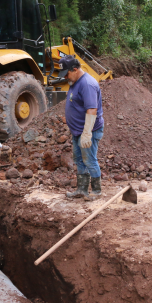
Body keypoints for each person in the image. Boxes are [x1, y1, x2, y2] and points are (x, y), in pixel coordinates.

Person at [59, 55, 104, 199]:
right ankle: (82, 189)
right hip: (77, 131)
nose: (65, 77)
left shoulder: (87, 84)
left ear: (75, 69)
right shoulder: (75, 81)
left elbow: (92, 109)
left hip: (89, 130)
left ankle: (96, 191)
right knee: (79, 159)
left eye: (67, 74)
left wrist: (86, 133)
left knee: (90, 160)